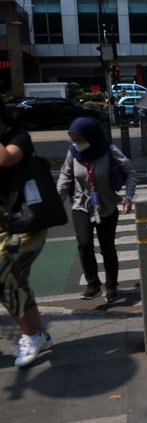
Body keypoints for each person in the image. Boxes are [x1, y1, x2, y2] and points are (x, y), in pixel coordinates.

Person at [56, 117, 137, 303]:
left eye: (80, 139)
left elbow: (131, 171)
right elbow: (65, 177)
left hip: (106, 206)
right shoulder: (73, 152)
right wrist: (54, 204)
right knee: (84, 244)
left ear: (90, 136)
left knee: (107, 248)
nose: (77, 144)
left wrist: (128, 197)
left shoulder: (108, 150)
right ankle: (92, 284)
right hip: (81, 204)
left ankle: (111, 286)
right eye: (74, 140)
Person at [0, 97, 52, 367]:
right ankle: (38, 334)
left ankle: (30, 334)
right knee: (16, 280)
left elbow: (5, 159)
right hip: (3, 227)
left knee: (5, 277)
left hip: (26, 224)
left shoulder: (18, 137)